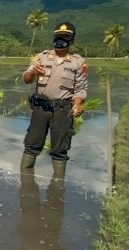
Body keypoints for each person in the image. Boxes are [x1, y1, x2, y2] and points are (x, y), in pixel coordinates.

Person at [20, 22, 87, 174]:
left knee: (60, 149)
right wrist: (32, 73)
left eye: (65, 37)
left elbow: (80, 89)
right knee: (32, 145)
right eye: (58, 36)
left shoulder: (78, 62)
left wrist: (77, 105)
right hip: (40, 108)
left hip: (63, 109)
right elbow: (26, 79)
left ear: (72, 40)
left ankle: (57, 188)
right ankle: (26, 183)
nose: (60, 40)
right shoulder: (41, 57)